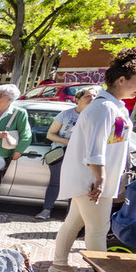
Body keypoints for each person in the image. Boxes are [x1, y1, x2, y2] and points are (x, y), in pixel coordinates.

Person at [51, 48, 136, 272]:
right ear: (121, 80)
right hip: (92, 181)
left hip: (95, 179)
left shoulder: (115, 107)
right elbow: (94, 148)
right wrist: (100, 179)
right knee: (98, 229)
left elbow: (112, 142)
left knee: (73, 223)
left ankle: (59, 264)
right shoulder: (104, 107)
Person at [38, 85, 99, 220]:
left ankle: (70, 216)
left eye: (94, 96)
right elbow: (50, 134)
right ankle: (46, 210)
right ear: (77, 99)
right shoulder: (66, 114)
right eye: (87, 96)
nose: (91, 98)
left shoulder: (95, 117)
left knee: (77, 185)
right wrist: (69, 142)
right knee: (55, 183)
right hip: (60, 153)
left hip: (82, 156)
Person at [0, 84, 32, 214]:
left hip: (3, 154)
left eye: (0, 96)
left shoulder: (19, 113)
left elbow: (26, 134)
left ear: (9, 99)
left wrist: (19, 151)